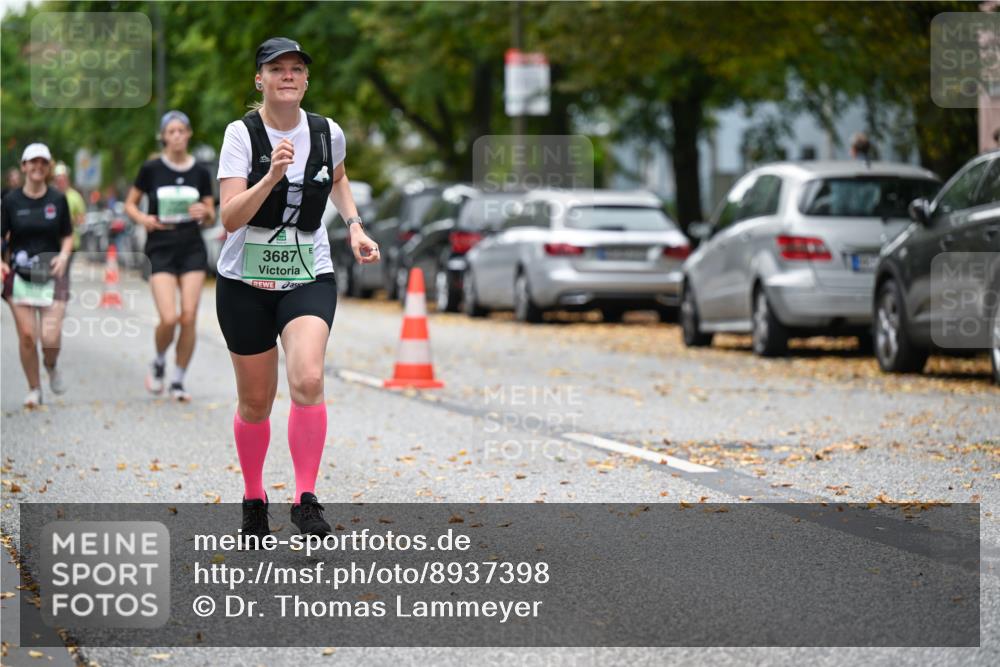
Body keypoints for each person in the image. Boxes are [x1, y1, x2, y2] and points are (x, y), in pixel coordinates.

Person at [216, 37, 379, 540]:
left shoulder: (327, 132)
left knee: (307, 378)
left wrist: (354, 225)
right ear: (259, 79)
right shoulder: (241, 135)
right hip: (244, 280)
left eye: (296, 68)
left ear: (306, 80)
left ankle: (305, 499)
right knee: (256, 402)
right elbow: (229, 218)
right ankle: (253, 497)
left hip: (308, 272)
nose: (287, 75)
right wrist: (270, 177)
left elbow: (339, 178)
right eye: (276, 68)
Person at [124, 110, 215, 401]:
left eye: (181, 131)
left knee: (188, 316)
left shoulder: (200, 172)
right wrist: (144, 219)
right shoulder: (151, 169)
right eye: (171, 131)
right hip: (160, 247)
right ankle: (160, 360)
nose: (176, 136)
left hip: (191, 247)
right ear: (163, 136)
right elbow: (130, 204)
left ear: (188, 134)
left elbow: (211, 214)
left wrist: (205, 212)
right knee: (169, 317)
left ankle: (178, 380)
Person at [0, 143, 73, 408]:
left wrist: (63, 256)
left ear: (48, 167)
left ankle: (51, 365)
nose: (38, 167)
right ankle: (34, 389)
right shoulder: (10, 201)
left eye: (43, 162)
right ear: (24, 166)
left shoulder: (57, 199)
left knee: (50, 338)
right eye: (33, 162)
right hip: (20, 275)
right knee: (28, 336)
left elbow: (67, 235)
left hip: (52, 275)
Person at [52, 162, 86, 249]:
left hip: (71, 243)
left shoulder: (75, 196)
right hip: (54, 243)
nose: (60, 182)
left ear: (67, 179)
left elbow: (82, 219)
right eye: (58, 180)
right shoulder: (51, 196)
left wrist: (67, 220)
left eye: (62, 179)